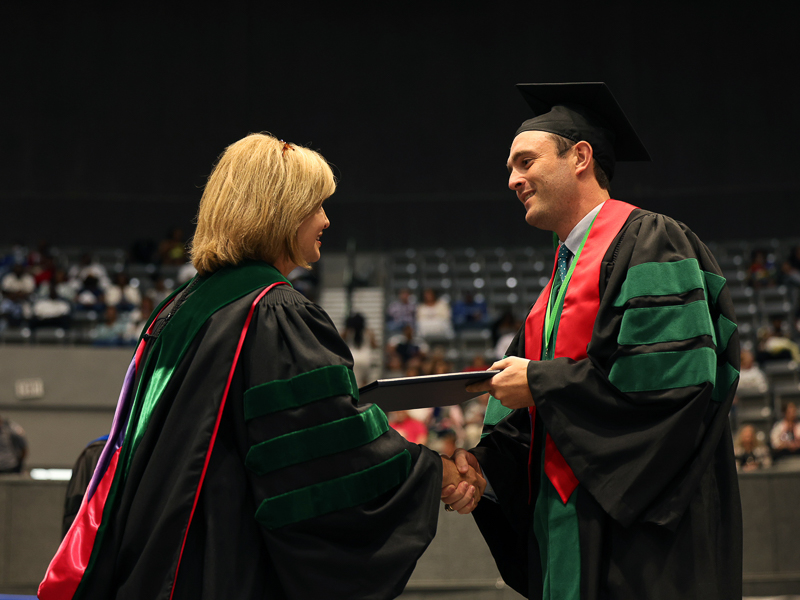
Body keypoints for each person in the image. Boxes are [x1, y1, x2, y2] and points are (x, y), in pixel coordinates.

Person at [39, 133, 484, 600]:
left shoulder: (182, 306)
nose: (326, 220)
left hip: (158, 552)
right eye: (315, 206)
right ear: (279, 212)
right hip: (219, 556)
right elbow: (322, 448)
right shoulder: (273, 312)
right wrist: (431, 472)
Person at [442, 82, 741, 599]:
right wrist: (483, 470)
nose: (512, 179)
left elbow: (666, 388)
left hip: (642, 541)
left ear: (579, 156)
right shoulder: (552, 293)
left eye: (525, 162)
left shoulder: (654, 243)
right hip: (571, 528)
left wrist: (539, 381)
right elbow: (535, 424)